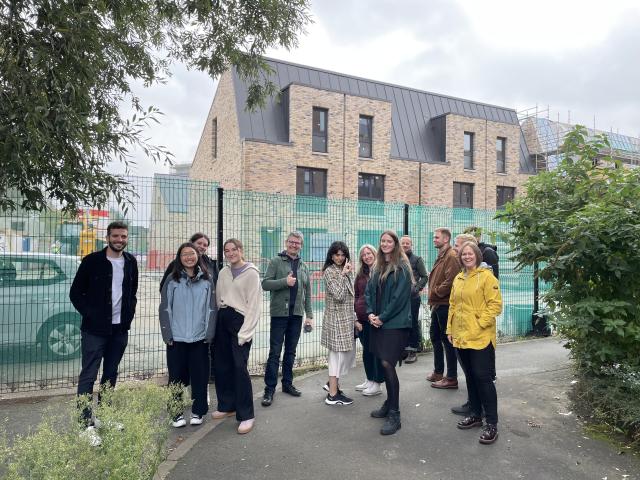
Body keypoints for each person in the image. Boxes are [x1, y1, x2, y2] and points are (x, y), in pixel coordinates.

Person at [70, 221, 139, 446]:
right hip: (94, 330)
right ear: (108, 237)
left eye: (123, 236)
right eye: (116, 236)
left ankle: (104, 417)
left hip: (119, 330)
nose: (120, 240)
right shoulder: (92, 261)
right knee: (89, 375)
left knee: (110, 374)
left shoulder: (131, 262)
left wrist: (127, 317)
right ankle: (84, 425)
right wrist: (90, 314)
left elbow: (132, 293)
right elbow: (75, 293)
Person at [447, 242, 502, 444]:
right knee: (470, 376)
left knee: (483, 378)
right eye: (463, 254)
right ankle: (476, 414)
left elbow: (495, 305)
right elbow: (453, 305)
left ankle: (492, 423)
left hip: (480, 337)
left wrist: (479, 324)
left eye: (470, 254)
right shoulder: (459, 278)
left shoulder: (487, 277)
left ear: (477, 255)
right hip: (461, 337)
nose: (467, 257)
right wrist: (450, 330)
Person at [159, 242, 216, 428]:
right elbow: (165, 309)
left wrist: (209, 332)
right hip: (177, 339)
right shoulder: (172, 280)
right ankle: (175, 413)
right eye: (184, 254)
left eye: (192, 253)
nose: (189, 257)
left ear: (197, 256)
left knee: (200, 377)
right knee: (175, 377)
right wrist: (167, 334)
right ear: (179, 257)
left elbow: (211, 308)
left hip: (200, 338)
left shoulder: (207, 280)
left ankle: (198, 411)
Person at [365, 230, 413, 435]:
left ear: (395, 244)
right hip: (378, 322)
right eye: (383, 241)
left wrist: (382, 317)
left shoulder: (402, 268)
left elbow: (399, 299)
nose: (385, 244)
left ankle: (395, 413)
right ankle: (389, 401)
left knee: (387, 363)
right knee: (384, 363)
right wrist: (370, 314)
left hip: (395, 324)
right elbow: (368, 292)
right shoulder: (377, 267)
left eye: (389, 241)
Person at [212, 239, 262, 434]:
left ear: (241, 250)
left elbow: (254, 306)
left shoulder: (251, 274)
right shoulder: (224, 272)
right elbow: (218, 297)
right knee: (222, 365)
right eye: (227, 251)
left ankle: (246, 415)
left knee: (239, 367)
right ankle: (227, 405)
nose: (230, 253)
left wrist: (245, 333)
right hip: (223, 318)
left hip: (240, 322)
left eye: (234, 249)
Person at [261, 231, 313, 407]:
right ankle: (269, 389)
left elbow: (308, 294)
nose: (294, 245)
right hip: (279, 315)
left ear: (301, 245)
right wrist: (285, 281)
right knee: (275, 352)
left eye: (297, 243)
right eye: (291, 242)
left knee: (291, 351)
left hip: (296, 315)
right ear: (286, 243)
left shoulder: (304, 266)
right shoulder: (276, 261)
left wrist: (310, 316)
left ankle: (287, 384)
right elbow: (265, 284)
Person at [160, 232, 219, 384]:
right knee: (178, 372)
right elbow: (165, 292)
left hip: (200, 328)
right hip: (180, 328)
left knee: (200, 368)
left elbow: (214, 292)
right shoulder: (175, 267)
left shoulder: (211, 265)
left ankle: (201, 395)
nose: (202, 247)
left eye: (205, 245)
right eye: (199, 243)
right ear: (191, 243)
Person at [321, 241, 357, 406]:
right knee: (336, 357)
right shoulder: (330, 271)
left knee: (345, 357)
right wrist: (343, 275)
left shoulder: (345, 271)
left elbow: (351, 297)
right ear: (331, 255)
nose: (340, 258)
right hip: (335, 321)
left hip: (346, 320)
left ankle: (333, 385)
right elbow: (339, 295)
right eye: (337, 254)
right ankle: (333, 395)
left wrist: (355, 318)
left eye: (343, 255)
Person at [426, 227, 460, 389]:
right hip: (437, 303)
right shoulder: (442, 255)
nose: (434, 239)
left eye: (436, 237)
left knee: (448, 342)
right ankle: (438, 371)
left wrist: (436, 291)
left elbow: (451, 279)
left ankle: (451, 377)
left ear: (446, 239)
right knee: (435, 336)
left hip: (444, 304)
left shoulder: (451, 256)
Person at [354, 244, 384, 396]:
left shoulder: (381, 271)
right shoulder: (360, 274)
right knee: (366, 351)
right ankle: (369, 379)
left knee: (375, 351)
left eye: (369, 253)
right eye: (364, 255)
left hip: (374, 318)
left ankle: (377, 383)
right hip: (361, 319)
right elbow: (356, 295)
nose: (367, 256)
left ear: (374, 254)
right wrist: (356, 318)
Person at [400, 235, 429, 363]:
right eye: (403, 243)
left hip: (412, 298)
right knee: (401, 322)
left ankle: (413, 350)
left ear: (411, 245)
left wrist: (416, 289)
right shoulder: (396, 259)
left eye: (407, 243)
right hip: (399, 298)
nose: (405, 245)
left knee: (412, 322)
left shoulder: (417, 260)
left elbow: (424, 276)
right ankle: (403, 350)